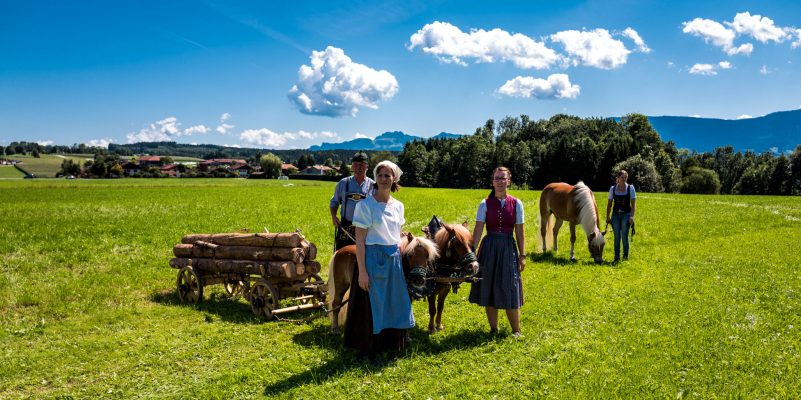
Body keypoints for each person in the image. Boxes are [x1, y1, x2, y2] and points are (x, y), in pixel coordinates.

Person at [344, 160, 412, 357]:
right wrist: (362, 272)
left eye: (388, 175)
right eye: (380, 175)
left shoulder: (398, 206)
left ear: (394, 179)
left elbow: (397, 234)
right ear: (376, 178)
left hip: (393, 260)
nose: (384, 179)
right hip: (373, 259)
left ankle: (392, 343)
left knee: (394, 301)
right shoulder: (366, 206)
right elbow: (360, 239)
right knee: (374, 303)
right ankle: (371, 346)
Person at [469, 166, 525, 337]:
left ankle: (516, 330)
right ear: (492, 182)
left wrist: (522, 255)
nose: (500, 182)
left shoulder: (517, 203)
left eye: (503, 178)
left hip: (508, 248)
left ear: (509, 181)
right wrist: (472, 256)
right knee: (489, 285)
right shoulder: (484, 204)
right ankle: (493, 329)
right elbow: (478, 231)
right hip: (489, 248)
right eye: (497, 178)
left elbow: (520, 232)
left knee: (510, 286)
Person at [329, 151, 375, 250]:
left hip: (365, 229)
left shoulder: (373, 186)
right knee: (341, 257)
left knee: (364, 259)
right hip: (345, 228)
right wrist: (333, 216)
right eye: (356, 165)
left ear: (367, 166)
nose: (358, 167)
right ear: (352, 167)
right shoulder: (343, 183)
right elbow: (334, 202)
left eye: (362, 165)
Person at [605, 169, 637, 262]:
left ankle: (625, 256)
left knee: (624, 235)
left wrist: (631, 217)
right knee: (617, 237)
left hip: (626, 215)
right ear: (618, 178)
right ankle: (616, 257)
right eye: (622, 177)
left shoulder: (630, 188)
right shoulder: (612, 189)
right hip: (615, 215)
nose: (624, 179)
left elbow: (633, 204)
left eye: (625, 177)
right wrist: (608, 216)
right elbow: (609, 204)